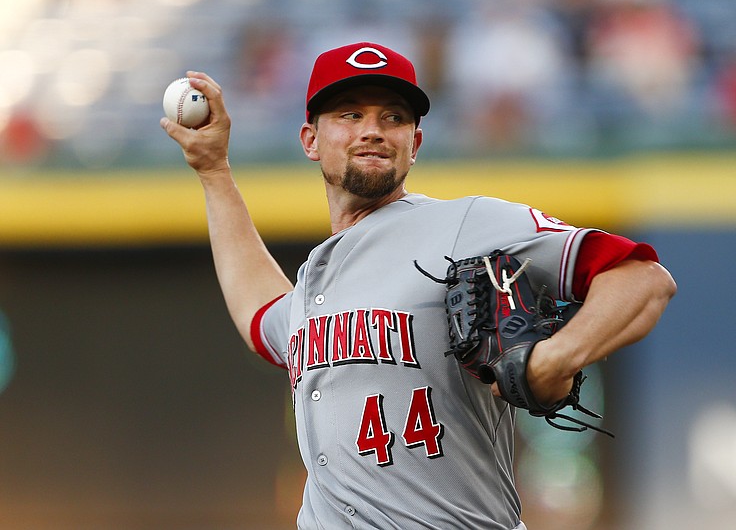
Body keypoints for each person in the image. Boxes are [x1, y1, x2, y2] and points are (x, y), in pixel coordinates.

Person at [160, 42, 677, 529]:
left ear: (416, 143)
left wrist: (559, 356)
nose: (373, 130)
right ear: (311, 140)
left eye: (394, 116)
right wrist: (213, 170)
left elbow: (642, 280)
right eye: (349, 114)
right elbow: (261, 316)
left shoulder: (468, 224)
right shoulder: (317, 277)